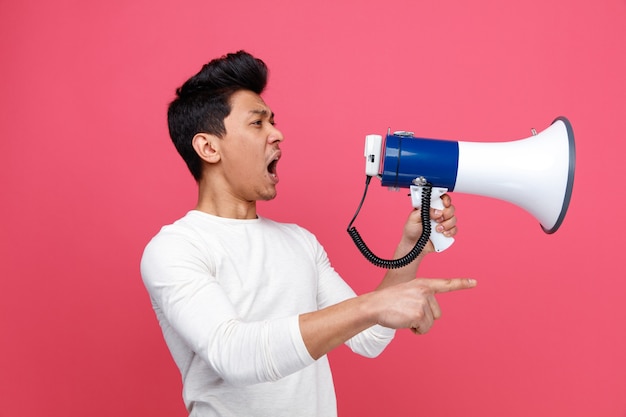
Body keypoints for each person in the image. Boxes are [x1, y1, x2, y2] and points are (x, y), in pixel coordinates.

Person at [140, 50, 476, 417]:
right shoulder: (175, 248)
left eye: (274, 122)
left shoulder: (299, 242)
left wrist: (410, 248)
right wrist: (369, 305)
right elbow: (233, 355)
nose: (277, 134)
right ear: (208, 147)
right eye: (258, 124)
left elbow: (369, 336)